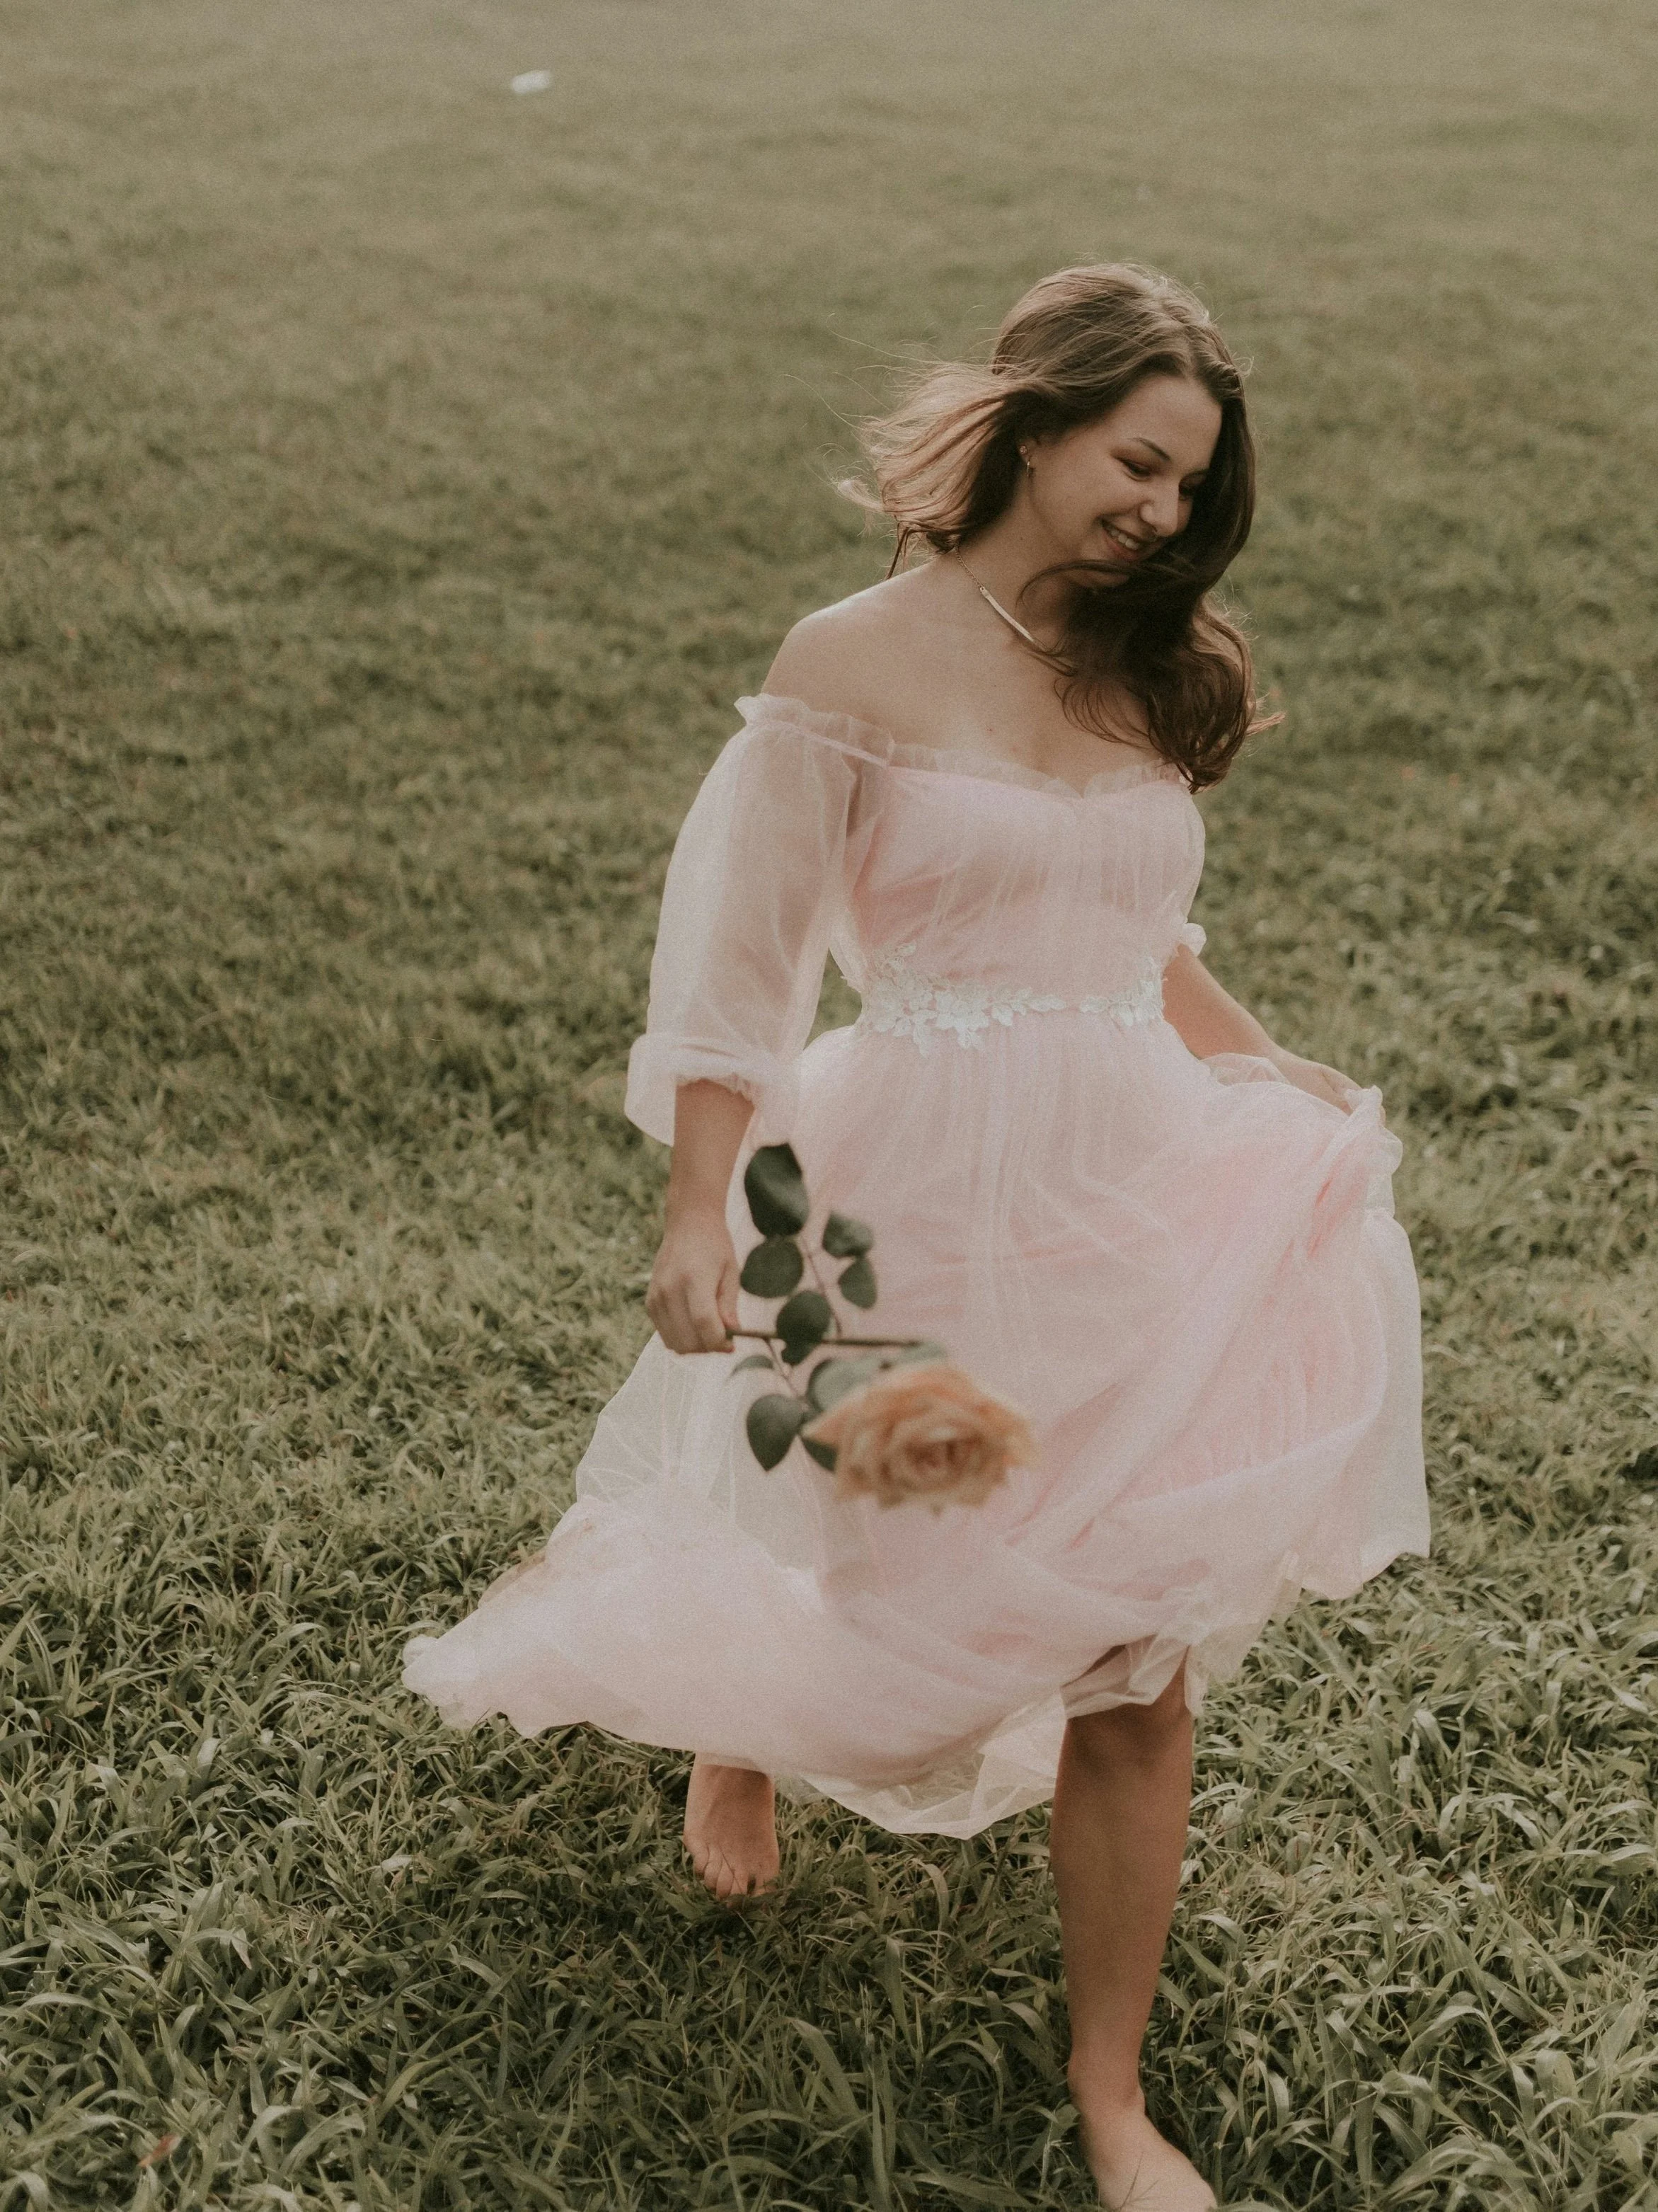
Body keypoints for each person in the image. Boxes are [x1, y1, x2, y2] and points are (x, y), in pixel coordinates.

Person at [405, 263, 1429, 2211]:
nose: (1157, 509)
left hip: (1119, 1169)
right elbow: (744, 960)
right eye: (1137, 462)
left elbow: (1143, 937)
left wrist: (1273, 1076)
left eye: (1187, 487)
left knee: (1130, 1647)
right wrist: (701, 1205)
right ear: (1035, 424)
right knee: (900, 1612)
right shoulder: (848, 664)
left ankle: (1112, 2093)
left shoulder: (1137, 669)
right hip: (903, 1179)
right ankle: (741, 1728)